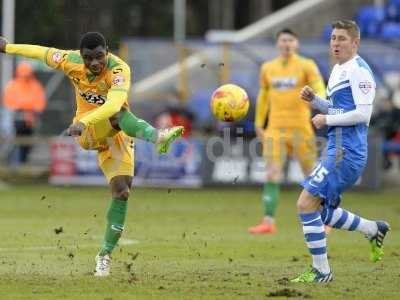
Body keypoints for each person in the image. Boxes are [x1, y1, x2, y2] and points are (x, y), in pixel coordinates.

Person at [0, 32, 184, 277]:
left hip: (112, 132)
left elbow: (112, 105)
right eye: (89, 58)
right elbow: (40, 52)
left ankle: (104, 256)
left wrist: (86, 121)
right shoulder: (70, 60)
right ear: (81, 56)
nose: (95, 63)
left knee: (122, 191)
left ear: (107, 51)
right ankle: (158, 137)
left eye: (99, 57)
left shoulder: (119, 70)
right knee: (117, 117)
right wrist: (8, 47)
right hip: (88, 133)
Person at [291, 20, 390, 283]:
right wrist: (316, 101)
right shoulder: (337, 70)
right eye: (333, 38)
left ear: (355, 43)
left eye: (342, 39)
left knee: (305, 204)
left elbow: (362, 114)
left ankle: (322, 272)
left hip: (347, 151)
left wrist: (327, 120)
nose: (335, 43)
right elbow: (339, 109)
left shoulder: (359, 70)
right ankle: (372, 228)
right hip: (336, 148)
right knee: (321, 212)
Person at [248, 28, 326, 234]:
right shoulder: (267, 68)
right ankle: (268, 222)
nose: (287, 44)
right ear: (277, 44)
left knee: (312, 175)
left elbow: (319, 86)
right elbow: (263, 96)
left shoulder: (306, 65)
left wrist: (322, 101)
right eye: (283, 40)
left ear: (297, 43)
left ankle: (326, 219)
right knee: (272, 173)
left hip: (301, 128)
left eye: (291, 40)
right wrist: (259, 123)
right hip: (275, 129)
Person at [3, 62, 46, 163]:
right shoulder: (13, 85)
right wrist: (25, 105)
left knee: (28, 142)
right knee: (16, 141)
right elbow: (9, 102)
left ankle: (22, 162)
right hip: (16, 118)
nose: (25, 77)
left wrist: (28, 106)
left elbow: (40, 103)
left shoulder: (35, 85)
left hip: (31, 118)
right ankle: (15, 163)